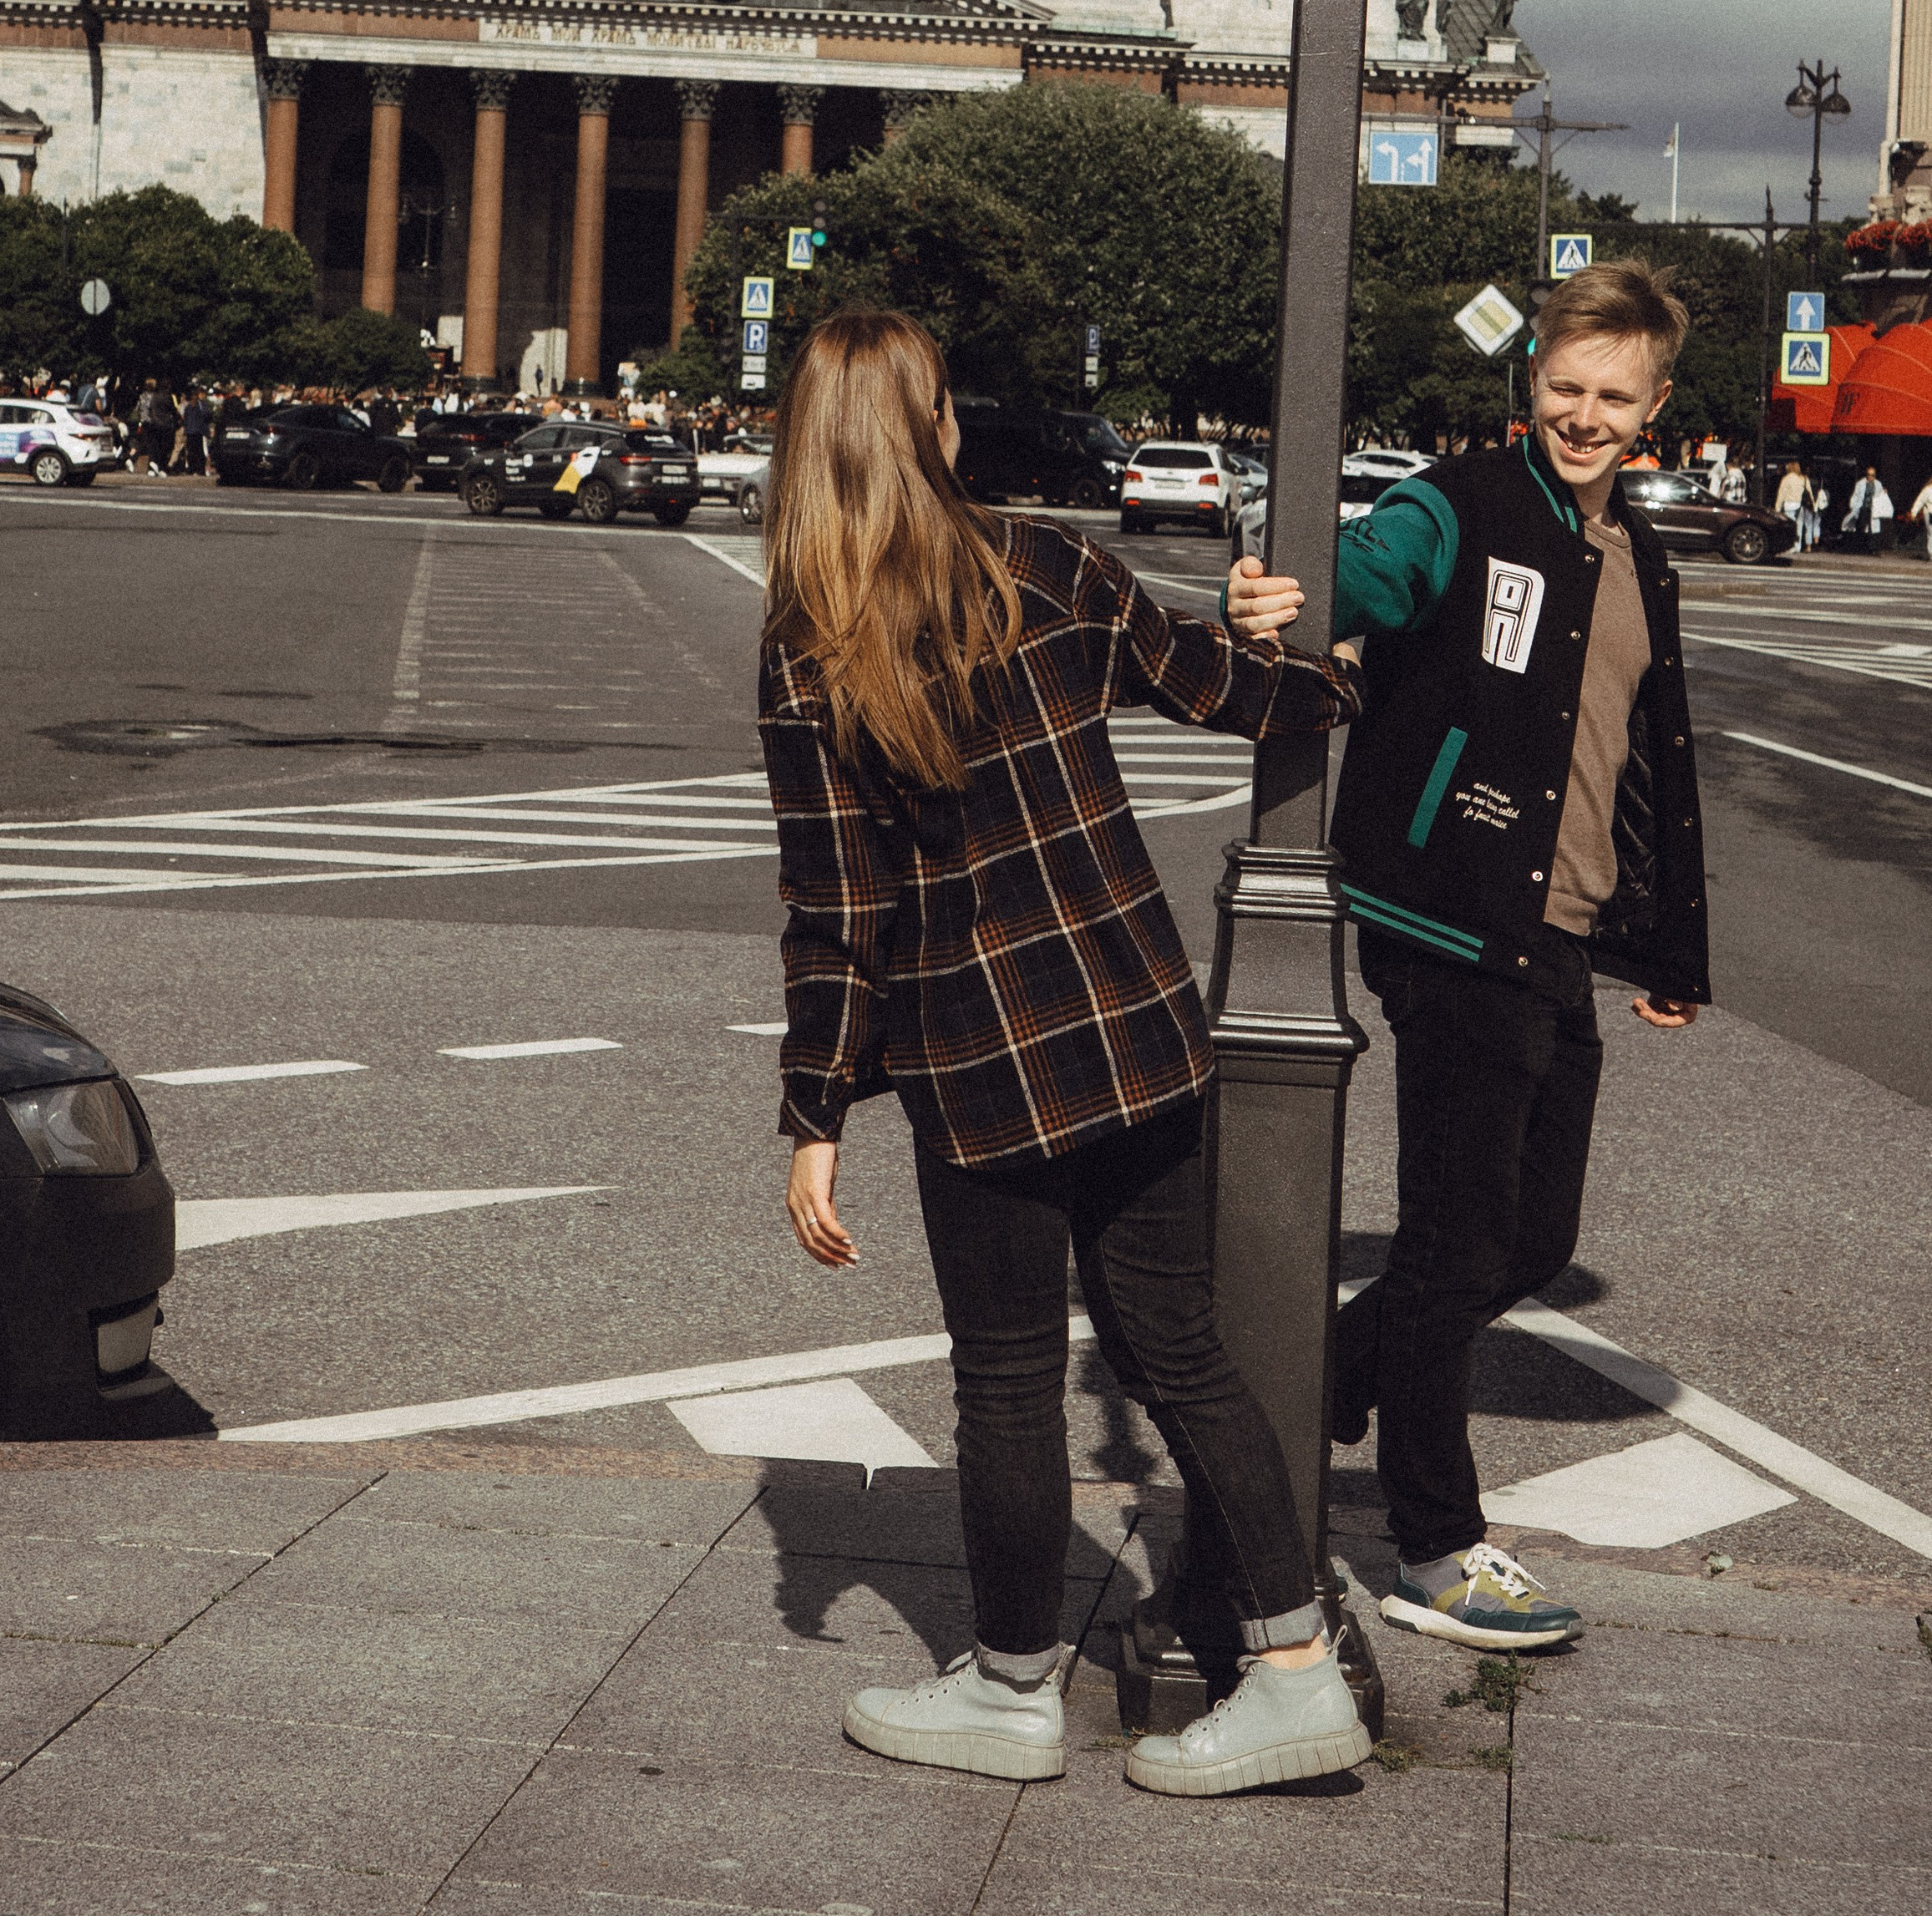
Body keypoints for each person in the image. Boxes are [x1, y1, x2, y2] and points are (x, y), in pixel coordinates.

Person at [762, 311, 1371, 1797]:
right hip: (1140, 1028)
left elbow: (837, 911)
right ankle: (1295, 1665)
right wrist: (1326, 668)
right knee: (1183, 1351)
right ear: (935, 427)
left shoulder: (811, 648)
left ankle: (1014, 1688)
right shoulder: (1047, 566)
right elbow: (1233, 697)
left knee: (1009, 1379)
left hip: (980, 1066)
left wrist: (815, 1111)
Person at [1232, 257, 1709, 1655]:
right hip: (1445, 916)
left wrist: (1667, 942)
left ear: (1654, 406)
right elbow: (1364, 571)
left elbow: (1645, 764)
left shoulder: (1640, 555)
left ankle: (1320, 1371)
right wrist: (1286, 596)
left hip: (1554, 933)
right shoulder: (1463, 502)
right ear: (1533, 380)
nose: (1583, 414)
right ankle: (1434, 1544)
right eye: (1564, 385)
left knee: (1531, 1240)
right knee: (1454, 1242)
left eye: (1612, 396)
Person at [1843, 463, 1894, 552]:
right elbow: (1855, 495)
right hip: (1863, 508)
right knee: (1861, 526)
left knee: (1873, 529)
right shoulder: (1860, 484)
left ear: (1875, 476)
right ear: (1866, 475)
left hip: (1873, 509)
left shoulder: (1878, 484)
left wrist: (1884, 492)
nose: (1870, 477)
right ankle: (1860, 547)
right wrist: (1853, 506)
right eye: (1869, 475)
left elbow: (1880, 494)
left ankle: (1872, 549)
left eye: (1873, 475)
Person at [1776, 458, 1813, 551]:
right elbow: (1809, 492)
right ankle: (1798, 546)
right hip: (1800, 505)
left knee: (1791, 528)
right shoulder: (1802, 479)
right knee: (1799, 526)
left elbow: (1781, 494)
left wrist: (1778, 507)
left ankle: (1791, 546)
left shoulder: (1786, 479)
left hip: (1789, 505)